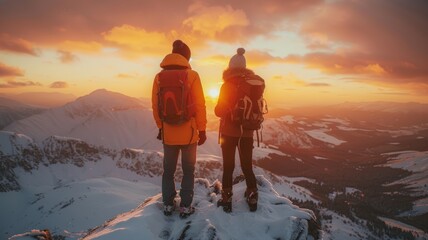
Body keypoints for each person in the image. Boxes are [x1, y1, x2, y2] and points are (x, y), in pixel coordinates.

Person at [152, 40, 207, 218]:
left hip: (168, 132)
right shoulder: (192, 75)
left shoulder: (159, 77)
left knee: (168, 170)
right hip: (189, 133)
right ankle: (185, 206)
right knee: (188, 170)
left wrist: (161, 127)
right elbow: (199, 104)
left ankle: (168, 204)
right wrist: (202, 129)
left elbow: (155, 105)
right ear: (187, 57)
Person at [215, 48, 260, 212]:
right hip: (247, 132)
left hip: (229, 132)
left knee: (228, 166)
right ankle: (253, 197)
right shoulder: (253, 85)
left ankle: (226, 200)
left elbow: (219, 110)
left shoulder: (227, 85)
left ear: (230, 67)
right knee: (247, 166)